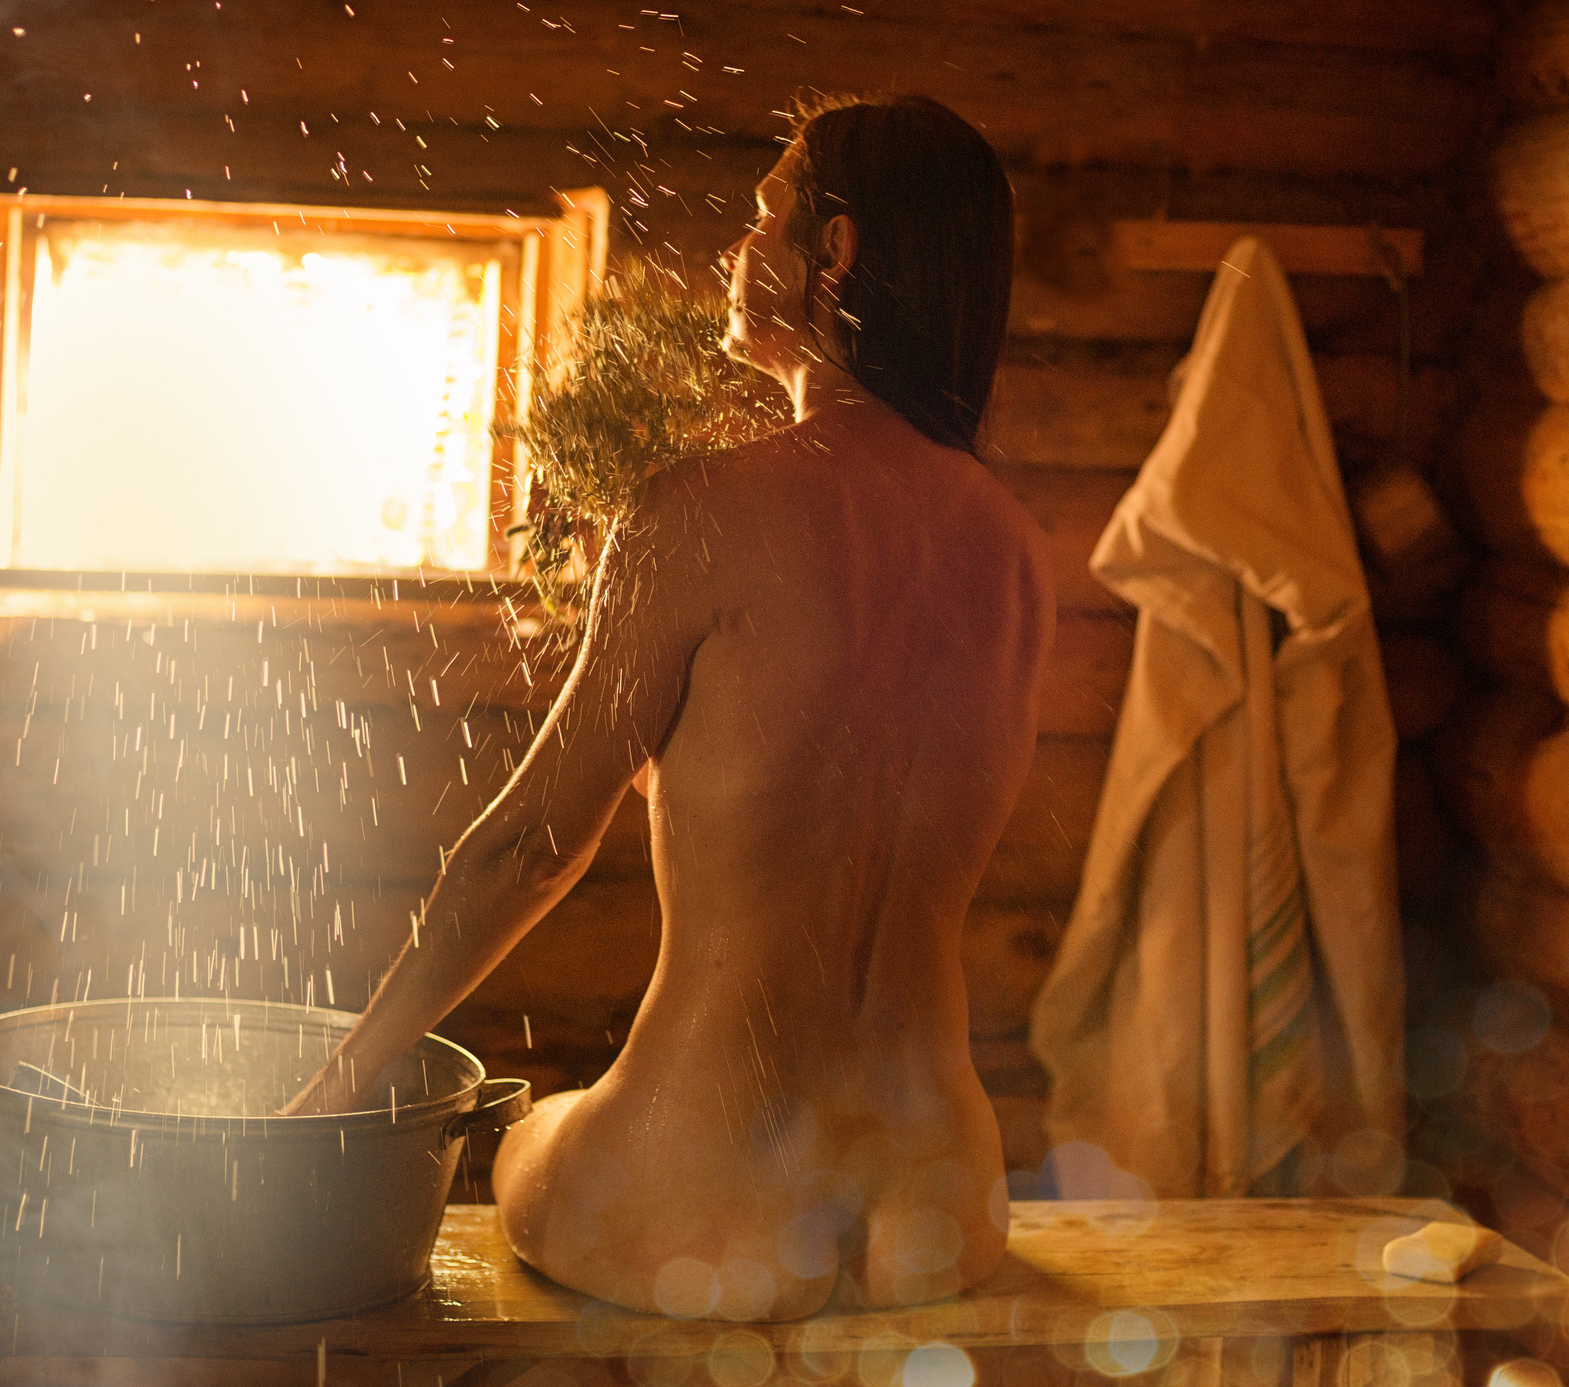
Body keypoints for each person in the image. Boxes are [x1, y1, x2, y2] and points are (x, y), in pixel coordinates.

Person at [282, 94, 1056, 1319]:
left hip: (708, 1210)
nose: (733, 254)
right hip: (943, 1203)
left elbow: (532, 843)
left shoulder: (697, 510)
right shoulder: (1017, 552)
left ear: (835, 250)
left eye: (764, 215)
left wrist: (335, 1083)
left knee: (533, 1128)